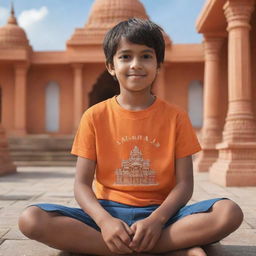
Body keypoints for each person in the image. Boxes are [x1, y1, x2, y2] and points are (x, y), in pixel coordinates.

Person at [19, 18, 243, 256]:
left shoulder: (176, 117)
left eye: (146, 56)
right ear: (111, 66)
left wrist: (157, 220)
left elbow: (185, 183)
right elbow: (82, 184)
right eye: (125, 56)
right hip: (107, 211)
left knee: (228, 212)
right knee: (31, 219)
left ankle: (114, 247)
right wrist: (104, 222)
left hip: (164, 213)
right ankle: (168, 248)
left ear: (158, 65)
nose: (136, 64)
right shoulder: (94, 116)